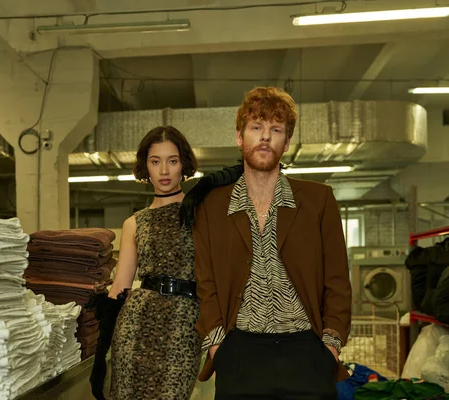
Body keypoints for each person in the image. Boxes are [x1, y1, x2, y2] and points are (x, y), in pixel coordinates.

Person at [189, 86, 352, 399]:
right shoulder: (212, 206)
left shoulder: (318, 201)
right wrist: (217, 344)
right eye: (256, 128)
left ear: (286, 142)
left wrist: (330, 344)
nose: (265, 137)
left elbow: (338, 280)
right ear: (240, 137)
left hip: (307, 352)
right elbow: (204, 281)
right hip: (239, 353)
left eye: (275, 129)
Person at [89, 126, 203, 400]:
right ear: (146, 167)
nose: (164, 170)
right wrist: (100, 353)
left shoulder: (200, 213)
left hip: (184, 326)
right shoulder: (134, 223)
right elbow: (120, 287)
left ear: (183, 165)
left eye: (172, 161)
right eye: (155, 161)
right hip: (136, 325)